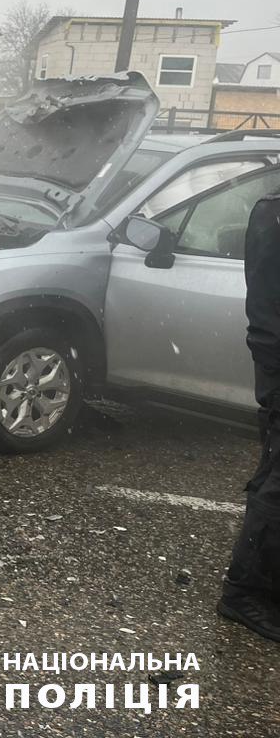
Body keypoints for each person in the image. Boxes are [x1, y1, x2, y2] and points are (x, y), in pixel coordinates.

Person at [219, 193, 280, 642]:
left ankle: (267, 581)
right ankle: (242, 592)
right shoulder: (273, 214)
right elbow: (266, 312)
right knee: (277, 483)